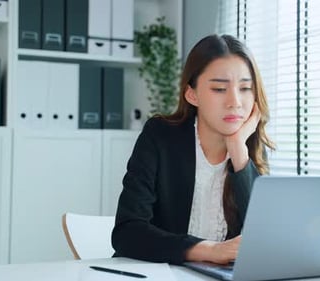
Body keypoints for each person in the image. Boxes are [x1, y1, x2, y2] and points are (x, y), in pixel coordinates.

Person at [111, 34, 274, 265]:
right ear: (192, 94)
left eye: (245, 88)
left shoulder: (249, 147)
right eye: (219, 89)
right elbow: (127, 233)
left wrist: (238, 152)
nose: (235, 101)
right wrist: (211, 251)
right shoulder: (159, 136)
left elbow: (265, 238)